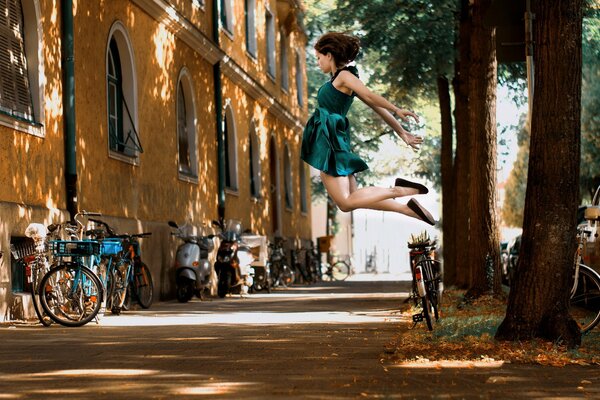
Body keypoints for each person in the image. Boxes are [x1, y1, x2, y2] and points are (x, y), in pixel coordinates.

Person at [301, 32, 435, 225]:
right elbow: (376, 107)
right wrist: (401, 132)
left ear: (329, 54)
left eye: (319, 57)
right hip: (335, 140)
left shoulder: (344, 76)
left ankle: (399, 191)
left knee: (346, 203)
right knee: (355, 196)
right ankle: (407, 209)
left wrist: (397, 110)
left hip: (329, 142)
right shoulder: (338, 80)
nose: (318, 62)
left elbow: (371, 98)